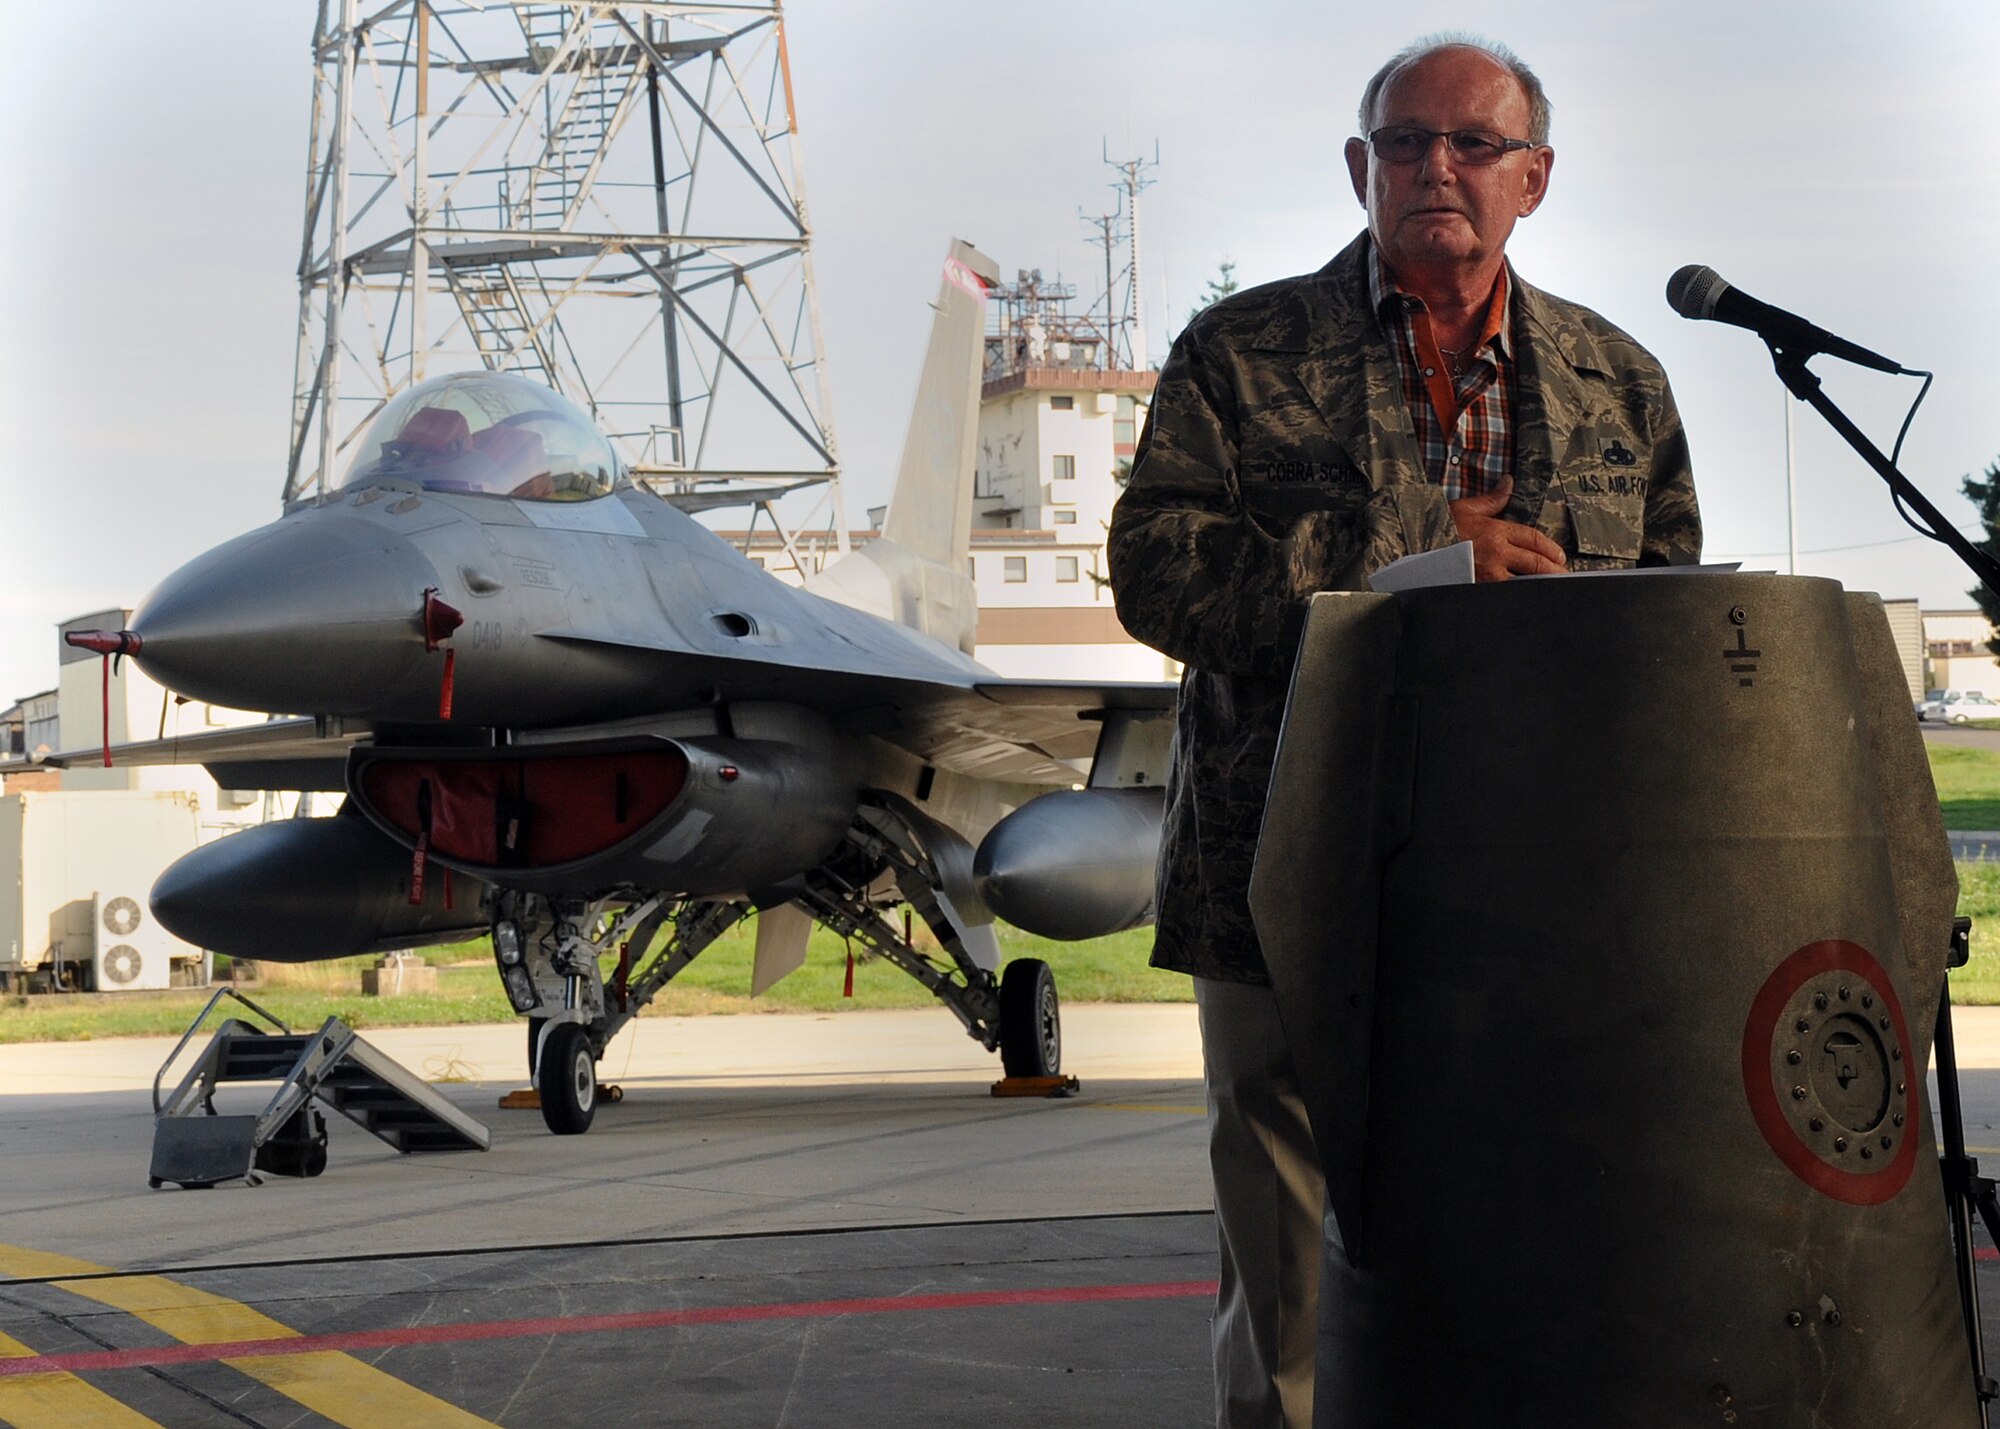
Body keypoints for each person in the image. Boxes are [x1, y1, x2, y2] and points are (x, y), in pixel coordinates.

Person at [1106, 34, 1701, 1429]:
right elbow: (1156, 575)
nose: (1438, 167)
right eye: (1407, 142)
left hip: (1540, 886)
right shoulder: (1241, 355)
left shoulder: (1620, 379)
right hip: (1288, 852)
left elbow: (1660, 619)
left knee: (1534, 1226)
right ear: (1360, 167)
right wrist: (1422, 551)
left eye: (1473, 145)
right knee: (1288, 1256)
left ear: (1533, 179)